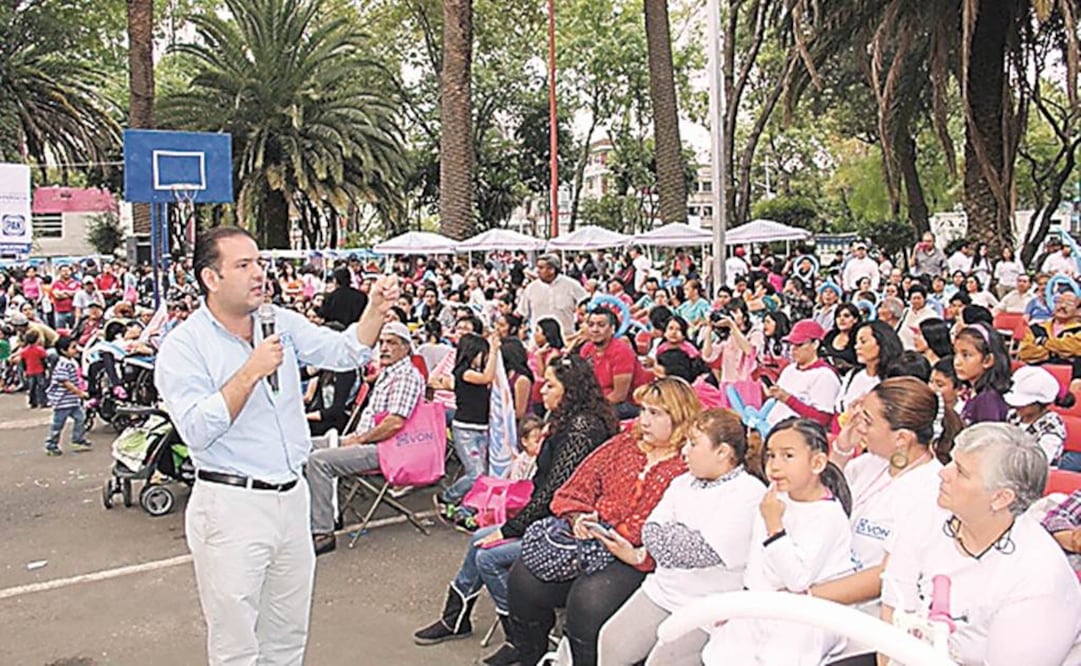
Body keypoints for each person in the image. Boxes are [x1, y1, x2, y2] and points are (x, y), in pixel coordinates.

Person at [155, 227, 391, 665]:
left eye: (259, 263)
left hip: (290, 498)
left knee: (287, 635)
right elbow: (197, 429)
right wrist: (250, 370)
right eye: (243, 265)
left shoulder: (279, 321)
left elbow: (344, 352)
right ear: (211, 278)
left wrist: (375, 310)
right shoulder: (184, 347)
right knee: (237, 644)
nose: (258, 274)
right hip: (231, 505)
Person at [413, 356, 619, 665]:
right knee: (479, 540)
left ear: (571, 389)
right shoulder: (569, 417)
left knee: (488, 554)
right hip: (550, 518)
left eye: (550, 384)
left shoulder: (582, 426)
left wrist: (509, 529)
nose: (542, 390)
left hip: (567, 527)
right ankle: (456, 617)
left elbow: (553, 494)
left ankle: (521, 638)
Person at [506, 377, 700, 666]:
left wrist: (617, 532)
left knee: (588, 604)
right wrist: (577, 517)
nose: (643, 420)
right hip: (590, 541)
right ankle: (529, 656)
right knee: (522, 580)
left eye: (655, 413)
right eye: (643, 410)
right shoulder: (623, 444)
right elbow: (573, 489)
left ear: (680, 416)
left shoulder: (691, 461)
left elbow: (670, 527)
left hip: (640, 557)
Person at [882, 423, 1081, 665]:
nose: (943, 473)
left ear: (1000, 498)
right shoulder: (929, 512)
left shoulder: (1039, 578)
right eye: (951, 461)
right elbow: (892, 612)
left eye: (961, 471)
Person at [597, 409, 766, 666]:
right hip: (662, 591)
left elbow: (701, 552)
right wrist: (682, 537)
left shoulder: (749, 493)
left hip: (708, 606)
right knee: (611, 642)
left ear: (722, 452)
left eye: (693, 443)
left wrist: (674, 536)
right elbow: (650, 532)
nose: (684, 451)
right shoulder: (682, 482)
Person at [702, 418, 856, 666]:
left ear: (817, 462)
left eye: (788, 456)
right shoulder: (772, 499)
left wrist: (775, 526)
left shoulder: (827, 515)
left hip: (804, 618)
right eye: (771, 455)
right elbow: (758, 569)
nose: (774, 466)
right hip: (761, 607)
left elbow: (797, 580)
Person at [812, 378, 962, 609]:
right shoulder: (871, 463)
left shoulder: (932, 491)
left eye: (867, 421)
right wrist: (842, 451)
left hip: (864, 619)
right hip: (825, 593)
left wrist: (805, 597)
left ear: (901, 438)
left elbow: (887, 574)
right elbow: (823, 501)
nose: (859, 426)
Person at [307, 320, 425, 555]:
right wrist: (356, 438)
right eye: (381, 342)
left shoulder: (406, 375)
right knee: (301, 446)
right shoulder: (388, 373)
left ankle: (323, 530)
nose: (384, 348)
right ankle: (319, 512)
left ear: (406, 348)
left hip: (386, 449)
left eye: (391, 343)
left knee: (318, 461)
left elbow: (394, 423)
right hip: (365, 439)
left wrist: (359, 440)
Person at [435, 331, 500, 520]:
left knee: (482, 473)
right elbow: (487, 378)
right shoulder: (463, 372)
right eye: (482, 354)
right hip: (465, 429)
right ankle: (447, 497)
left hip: (481, 428)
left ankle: (466, 509)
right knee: (476, 474)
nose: (484, 358)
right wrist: (495, 350)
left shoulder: (473, 372)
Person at [578, 306, 651, 419]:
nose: (595, 329)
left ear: (612, 329)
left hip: (627, 404)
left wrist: (589, 408)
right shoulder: (586, 349)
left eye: (601, 325)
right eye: (591, 325)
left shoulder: (622, 351)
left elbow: (619, 395)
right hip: (597, 402)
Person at [767, 320, 841, 428]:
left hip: (798, 436)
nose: (793, 349)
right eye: (791, 345)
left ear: (815, 344)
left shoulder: (825, 375)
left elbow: (822, 419)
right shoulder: (789, 369)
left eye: (799, 344)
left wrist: (788, 399)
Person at [1005, 366, 1074, 466]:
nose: (1017, 406)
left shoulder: (1052, 427)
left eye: (1024, 403)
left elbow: (1039, 463)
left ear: (1040, 403)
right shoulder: (1013, 415)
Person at [43, 335, 92, 456]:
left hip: (72, 400)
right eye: (73, 348)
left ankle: (78, 439)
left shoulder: (71, 362)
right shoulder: (63, 364)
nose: (76, 350)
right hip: (62, 401)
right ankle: (51, 445)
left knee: (80, 418)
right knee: (58, 425)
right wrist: (79, 393)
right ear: (64, 350)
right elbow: (65, 382)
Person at [517, 253, 587, 338]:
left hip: (567, 338)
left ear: (552, 269)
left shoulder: (571, 285)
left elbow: (586, 305)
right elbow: (522, 312)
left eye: (541, 268)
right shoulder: (531, 288)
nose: (537, 271)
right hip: (539, 341)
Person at [954, 323, 1011, 425]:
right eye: (955, 354)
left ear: (987, 360)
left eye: (966, 355)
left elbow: (988, 438)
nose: (957, 362)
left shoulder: (988, 399)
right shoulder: (972, 392)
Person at [1018, 291, 1081, 377]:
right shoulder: (1036, 328)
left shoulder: (1078, 330)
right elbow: (1025, 353)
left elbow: (1074, 348)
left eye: (1069, 303)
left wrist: (1043, 343)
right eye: (1059, 301)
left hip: (1071, 376)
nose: (1062, 306)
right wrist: (1057, 352)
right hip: (1036, 374)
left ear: (1078, 310)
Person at [820, 303, 860, 373]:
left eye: (846, 316)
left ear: (855, 319)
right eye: (838, 316)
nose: (842, 319)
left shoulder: (859, 339)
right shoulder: (830, 336)